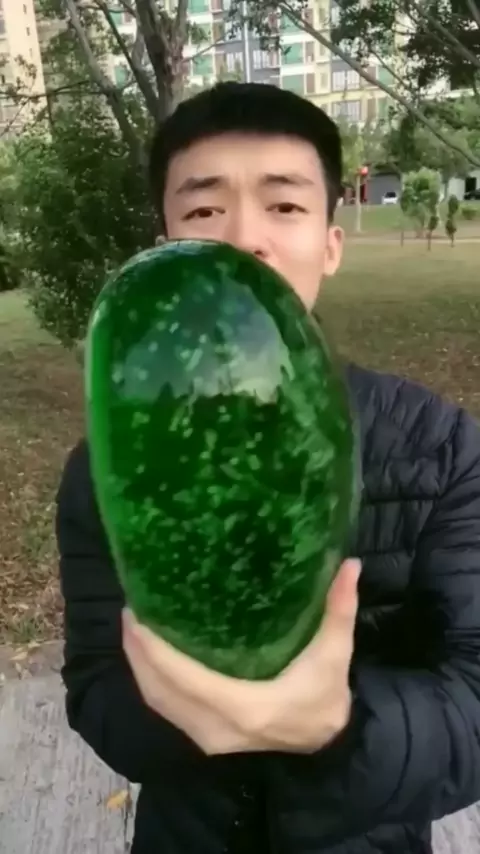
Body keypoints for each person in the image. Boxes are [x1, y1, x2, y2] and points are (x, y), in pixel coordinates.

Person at [57, 82, 480, 854]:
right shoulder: (106, 470)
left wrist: (337, 729)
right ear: (166, 244)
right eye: (203, 210)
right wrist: (192, 709)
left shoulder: (441, 449)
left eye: (284, 205)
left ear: (330, 244)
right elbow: (97, 692)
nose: (244, 237)